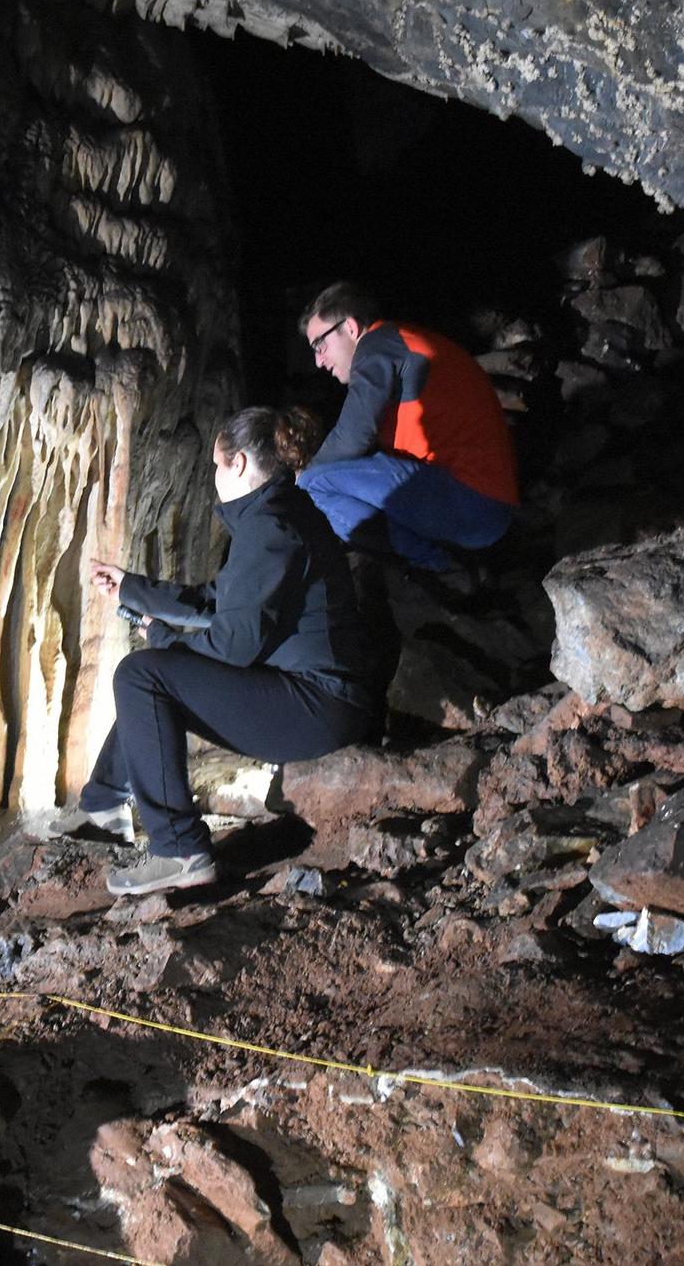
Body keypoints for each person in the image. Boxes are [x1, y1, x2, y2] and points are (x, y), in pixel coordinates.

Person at [80, 407, 382, 898]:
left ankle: (180, 850)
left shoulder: (270, 529)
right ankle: (103, 804)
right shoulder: (280, 514)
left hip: (319, 708)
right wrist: (132, 589)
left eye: (216, 465)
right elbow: (217, 600)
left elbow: (231, 648)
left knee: (142, 676)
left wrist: (161, 639)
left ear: (238, 463)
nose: (214, 476)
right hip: (323, 698)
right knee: (152, 676)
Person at [297, 281, 519, 570]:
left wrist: (300, 479)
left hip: (469, 501)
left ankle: (433, 564)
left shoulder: (376, 345)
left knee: (316, 484)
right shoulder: (401, 341)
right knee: (347, 474)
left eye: (320, 344)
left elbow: (352, 435)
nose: (318, 360)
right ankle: (437, 558)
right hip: (484, 505)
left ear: (350, 327)